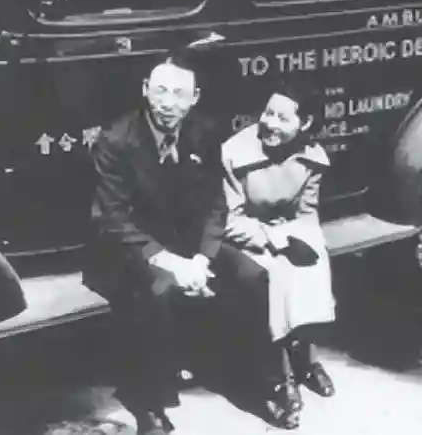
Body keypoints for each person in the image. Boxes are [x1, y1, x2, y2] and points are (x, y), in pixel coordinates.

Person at [82, 49, 279, 435]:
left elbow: (216, 204)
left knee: (253, 276)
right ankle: (151, 404)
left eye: (179, 94)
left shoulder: (204, 133)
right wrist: (171, 263)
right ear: (145, 90)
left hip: (190, 248)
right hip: (133, 249)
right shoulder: (116, 140)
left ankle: (261, 383)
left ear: (194, 98)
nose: (168, 103)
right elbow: (113, 219)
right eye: (160, 91)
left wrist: (203, 259)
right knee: (157, 292)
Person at [221, 76, 337, 430]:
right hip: (245, 236)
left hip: (287, 229)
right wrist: (273, 241)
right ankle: (280, 375)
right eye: (268, 113)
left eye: (282, 118)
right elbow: (227, 220)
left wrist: (307, 242)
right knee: (274, 275)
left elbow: (307, 214)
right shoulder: (234, 153)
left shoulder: (313, 159)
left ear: (305, 124)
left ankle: (307, 358)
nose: (269, 123)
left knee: (315, 262)